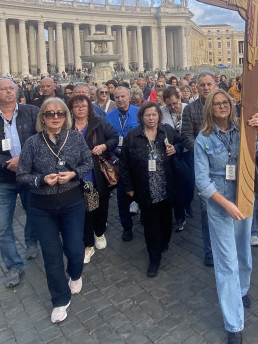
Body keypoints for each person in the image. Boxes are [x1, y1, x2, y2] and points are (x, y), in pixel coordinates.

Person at [194, 89, 258, 344]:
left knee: (244, 253)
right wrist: (226, 205)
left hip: (244, 199)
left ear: (231, 105)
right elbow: (202, 181)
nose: (222, 106)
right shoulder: (203, 139)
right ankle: (234, 325)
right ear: (210, 108)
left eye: (225, 102)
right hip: (220, 206)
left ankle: (243, 289)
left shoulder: (243, 130)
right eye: (217, 104)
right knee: (226, 263)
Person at [17, 98, 93, 324]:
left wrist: (74, 174)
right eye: (50, 113)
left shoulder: (76, 138)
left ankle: (75, 273)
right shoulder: (32, 142)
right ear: (43, 117)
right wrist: (41, 180)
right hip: (42, 207)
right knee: (51, 255)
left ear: (66, 116)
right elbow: (22, 174)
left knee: (75, 249)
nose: (55, 117)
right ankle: (60, 299)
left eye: (60, 113)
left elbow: (88, 162)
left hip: (72, 203)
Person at [0, 78, 41, 289]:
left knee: (34, 212)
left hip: (29, 174)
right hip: (3, 178)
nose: (8, 92)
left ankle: (31, 241)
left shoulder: (31, 112)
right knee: (2, 226)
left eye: (11, 88)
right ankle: (13, 265)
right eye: (3, 89)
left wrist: (23, 160)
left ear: (17, 91)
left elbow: (41, 138)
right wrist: (7, 164)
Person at [120, 102, 183, 277]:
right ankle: (154, 258)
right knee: (150, 225)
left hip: (166, 186)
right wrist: (129, 187)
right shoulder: (133, 136)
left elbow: (181, 143)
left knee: (166, 222)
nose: (151, 118)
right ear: (142, 117)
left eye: (154, 114)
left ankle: (164, 242)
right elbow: (124, 164)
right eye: (147, 115)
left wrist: (175, 149)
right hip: (145, 188)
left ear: (159, 116)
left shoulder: (167, 131)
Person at [68, 94, 119, 264]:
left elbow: (114, 138)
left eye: (83, 106)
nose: (80, 109)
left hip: (97, 172)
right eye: (77, 106)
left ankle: (99, 232)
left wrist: (104, 146)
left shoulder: (99, 122)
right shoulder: (67, 125)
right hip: (77, 174)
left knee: (101, 207)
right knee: (85, 210)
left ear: (89, 108)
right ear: (72, 109)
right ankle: (88, 244)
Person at [180, 71, 217, 266]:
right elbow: (186, 135)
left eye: (209, 84)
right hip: (202, 164)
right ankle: (209, 249)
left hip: (224, 163)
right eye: (202, 85)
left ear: (214, 85)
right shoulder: (190, 109)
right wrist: (203, 152)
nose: (206, 87)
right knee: (206, 208)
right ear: (197, 87)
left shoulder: (224, 104)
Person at [106, 85, 140, 241]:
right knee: (122, 195)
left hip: (137, 159)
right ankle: (127, 227)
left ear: (129, 97)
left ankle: (145, 218)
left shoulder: (139, 112)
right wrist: (115, 149)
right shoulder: (109, 116)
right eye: (117, 97)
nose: (120, 99)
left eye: (123, 96)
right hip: (119, 160)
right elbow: (106, 137)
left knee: (141, 190)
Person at [160, 86, 191, 230]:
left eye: (175, 103)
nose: (172, 107)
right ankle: (180, 216)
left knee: (189, 183)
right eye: (169, 105)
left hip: (187, 151)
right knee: (176, 185)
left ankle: (187, 204)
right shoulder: (161, 112)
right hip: (172, 153)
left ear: (180, 99)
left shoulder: (188, 108)